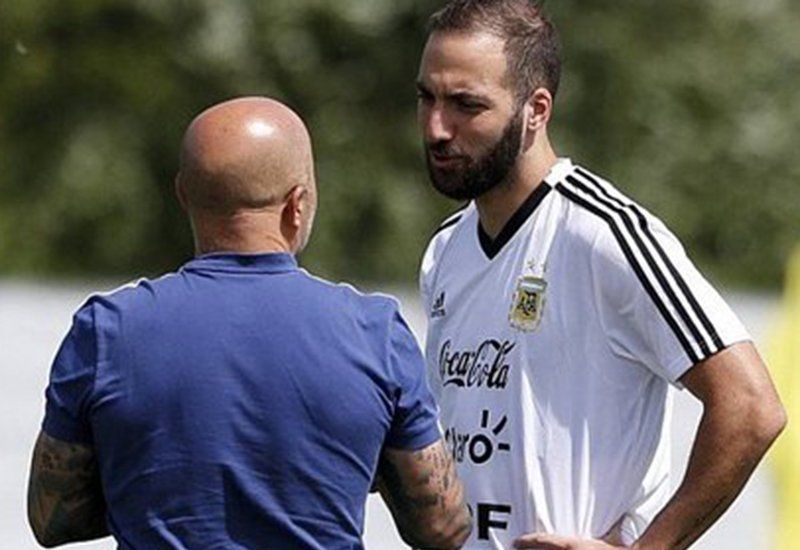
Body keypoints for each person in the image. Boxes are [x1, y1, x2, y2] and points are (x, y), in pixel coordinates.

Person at [416, 1, 786, 548]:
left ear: (536, 110)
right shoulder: (446, 248)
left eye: (466, 105)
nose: (436, 128)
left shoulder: (603, 233)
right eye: (426, 97)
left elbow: (752, 408)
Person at [27, 96, 471, 549]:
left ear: (184, 194)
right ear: (297, 204)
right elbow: (442, 528)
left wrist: (151, 486)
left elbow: (52, 519)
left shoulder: (106, 331)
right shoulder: (374, 332)